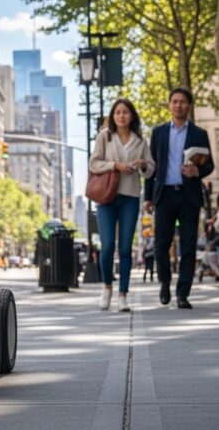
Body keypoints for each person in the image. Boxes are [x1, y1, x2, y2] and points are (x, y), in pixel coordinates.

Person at [143, 87, 214, 310]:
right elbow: (151, 167)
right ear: (169, 105)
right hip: (163, 195)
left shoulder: (199, 134)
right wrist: (147, 197)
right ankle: (165, 282)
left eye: (183, 102)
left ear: (189, 106)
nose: (178, 105)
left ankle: (183, 293)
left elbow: (209, 164)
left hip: (189, 196)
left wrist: (198, 172)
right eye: (174, 101)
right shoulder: (159, 133)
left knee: (188, 246)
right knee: (161, 245)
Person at [89, 98, 155, 312]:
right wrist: (115, 165)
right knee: (107, 246)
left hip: (130, 197)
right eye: (117, 112)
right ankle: (107, 287)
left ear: (132, 116)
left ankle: (123, 295)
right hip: (106, 197)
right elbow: (94, 163)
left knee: (125, 248)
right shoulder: (105, 137)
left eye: (125, 112)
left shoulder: (139, 140)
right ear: (113, 115)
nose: (121, 116)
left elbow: (151, 168)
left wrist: (143, 164)